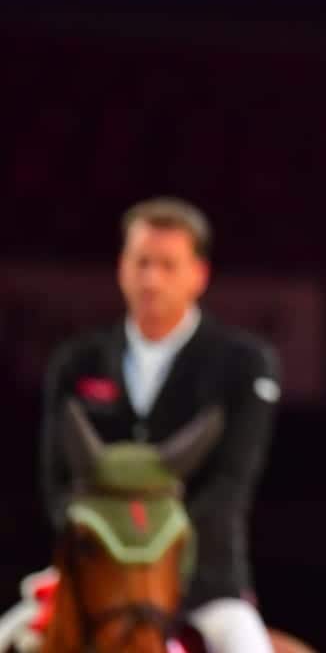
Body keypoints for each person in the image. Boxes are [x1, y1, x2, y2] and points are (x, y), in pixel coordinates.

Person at [39, 197, 281, 653]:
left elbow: (231, 484)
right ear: (121, 267)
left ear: (199, 275)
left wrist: (153, 550)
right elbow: (58, 485)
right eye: (142, 262)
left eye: (168, 265)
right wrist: (106, 551)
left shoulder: (244, 364)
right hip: (94, 580)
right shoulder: (77, 362)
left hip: (203, 583)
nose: (151, 278)